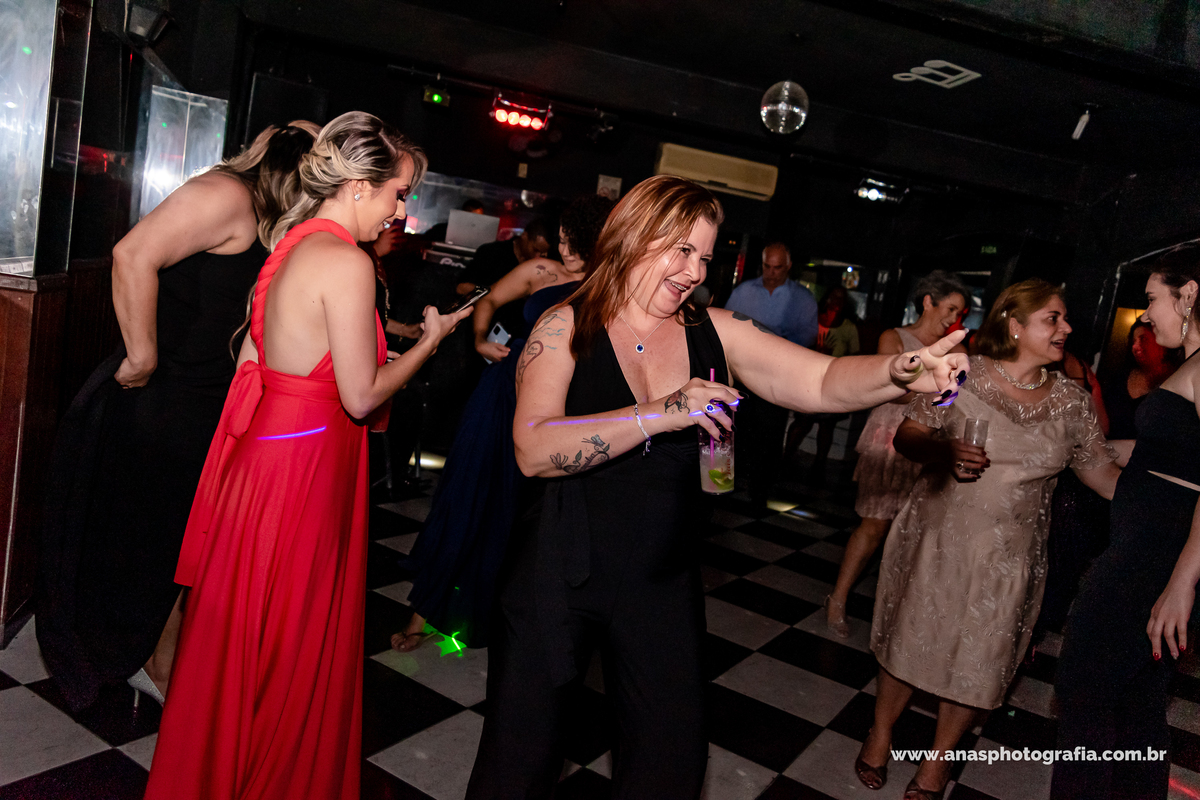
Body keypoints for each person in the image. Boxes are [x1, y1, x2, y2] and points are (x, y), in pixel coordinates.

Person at [465, 175, 969, 798]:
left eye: (704, 257)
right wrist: (661, 412)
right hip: (556, 572)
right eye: (681, 251)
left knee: (670, 764)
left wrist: (899, 370)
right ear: (633, 236)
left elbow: (821, 380)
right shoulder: (564, 326)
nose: (694, 272)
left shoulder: (716, 331)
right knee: (517, 765)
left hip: (660, 579)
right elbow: (533, 449)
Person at [143, 112, 471, 800]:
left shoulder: (288, 246)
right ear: (359, 186)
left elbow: (251, 361)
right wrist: (429, 342)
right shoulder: (346, 262)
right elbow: (361, 394)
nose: (400, 211)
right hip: (305, 470)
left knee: (246, 639)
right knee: (292, 642)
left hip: (264, 462)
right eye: (398, 194)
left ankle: (224, 775)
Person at [35, 121, 320, 710]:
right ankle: (111, 657)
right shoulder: (228, 194)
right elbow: (132, 253)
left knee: (174, 547)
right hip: (161, 400)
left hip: (198, 405)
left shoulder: (268, 217)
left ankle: (151, 661)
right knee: (136, 543)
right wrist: (142, 356)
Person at [857, 279, 1120, 799]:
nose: (1066, 328)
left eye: (1065, 318)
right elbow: (909, 434)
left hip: (1011, 556)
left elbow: (1103, 474)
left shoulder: (1072, 401)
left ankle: (937, 764)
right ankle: (880, 733)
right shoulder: (962, 374)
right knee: (912, 639)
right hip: (938, 540)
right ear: (1014, 325)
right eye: (1053, 318)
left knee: (981, 659)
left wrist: (1169, 496)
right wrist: (944, 451)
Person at [392, 194, 613, 651]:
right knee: (467, 492)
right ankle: (422, 613)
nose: (564, 250)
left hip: (556, 407)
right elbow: (488, 300)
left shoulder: (610, 290)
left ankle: (499, 617)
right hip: (502, 394)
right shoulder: (541, 271)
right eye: (562, 240)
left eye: (572, 242)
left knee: (518, 512)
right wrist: (479, 341)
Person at [1052, 245, 1200, 800]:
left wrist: (1181, 582)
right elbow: (1164, 458)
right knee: (1136, 703)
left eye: (1152, 298)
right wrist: (1076, 446)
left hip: (1151, 562)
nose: (1146, 313)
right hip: (1151, 553)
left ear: (1189, 294)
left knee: (1084, 690)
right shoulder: (1190, 366)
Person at [821, 271, 969, 637]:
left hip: (932, 441)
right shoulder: (893, 338)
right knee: (874, 525)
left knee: (916, 533)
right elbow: (890, 388)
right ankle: (838, 598)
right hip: (888, 436)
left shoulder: (957, 348)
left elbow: (961, 394)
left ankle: (898, 615)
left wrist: (945, 392)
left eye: (960, 312)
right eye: (950, 308)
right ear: (928, 302)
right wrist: (935, 388)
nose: (954, 318)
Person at [724, 241, 818, 506]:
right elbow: (725, 324)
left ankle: (760, 488)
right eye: (767, 266)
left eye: (777, 268)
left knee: (770, 431)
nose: (771, 273)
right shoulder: (744, 291)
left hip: (777, 376)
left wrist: (775, 342)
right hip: (742, 374)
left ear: (788, 266)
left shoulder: (802, 298)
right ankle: (730, 483)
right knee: (737, 427)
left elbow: (808, 336)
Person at [783, 286, 861, 483]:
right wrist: (815, 352)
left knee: (827, 425)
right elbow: (797, 344)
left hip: (832, 382)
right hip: (808, 379)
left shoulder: (848, 328)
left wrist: (834, 360)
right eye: (833, 297)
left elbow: (855, 357)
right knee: (802, 421)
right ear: (825, 299)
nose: (835, 302)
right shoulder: (813, 320)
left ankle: (819, 465)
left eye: (840, 299)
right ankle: (785, 459)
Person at [1104, 319, 1176, 439]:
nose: (1135, 346)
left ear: (1160, 341)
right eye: (1133, 341)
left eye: (1143, 339)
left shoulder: (1175, 381)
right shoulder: (1120, 377)